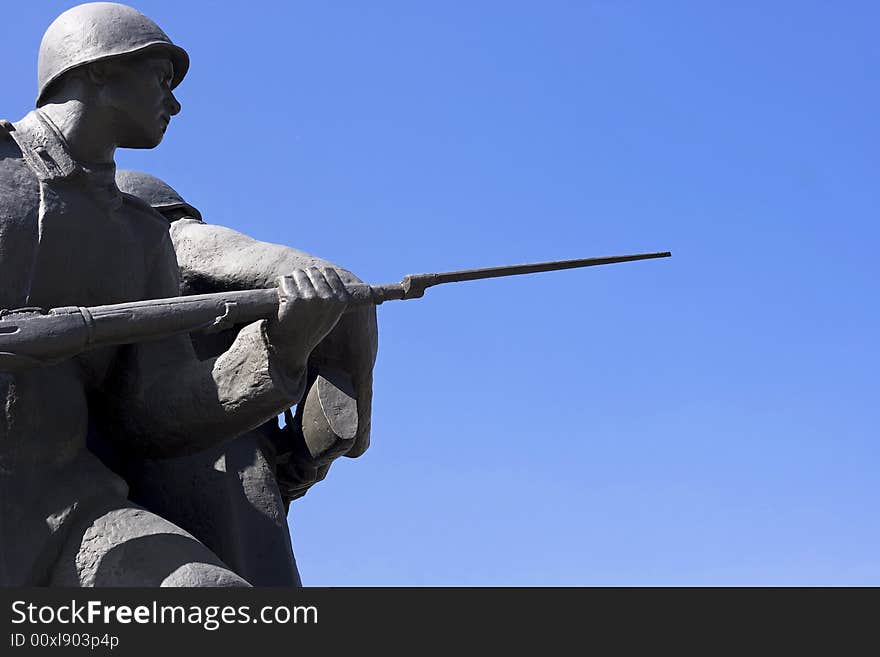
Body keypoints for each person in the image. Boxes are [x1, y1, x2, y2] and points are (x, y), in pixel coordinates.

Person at [0, 2, 348, 586]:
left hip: (62, 508)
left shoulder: (141, 236)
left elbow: (150, 410)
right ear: (99, 71)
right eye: (161, 78)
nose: (176, 101)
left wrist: (278, 349)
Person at [111, 170, 378, 585]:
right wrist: (313, 457)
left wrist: (336, 438)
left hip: (207, 477)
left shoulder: (171, 240)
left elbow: (341, 290)